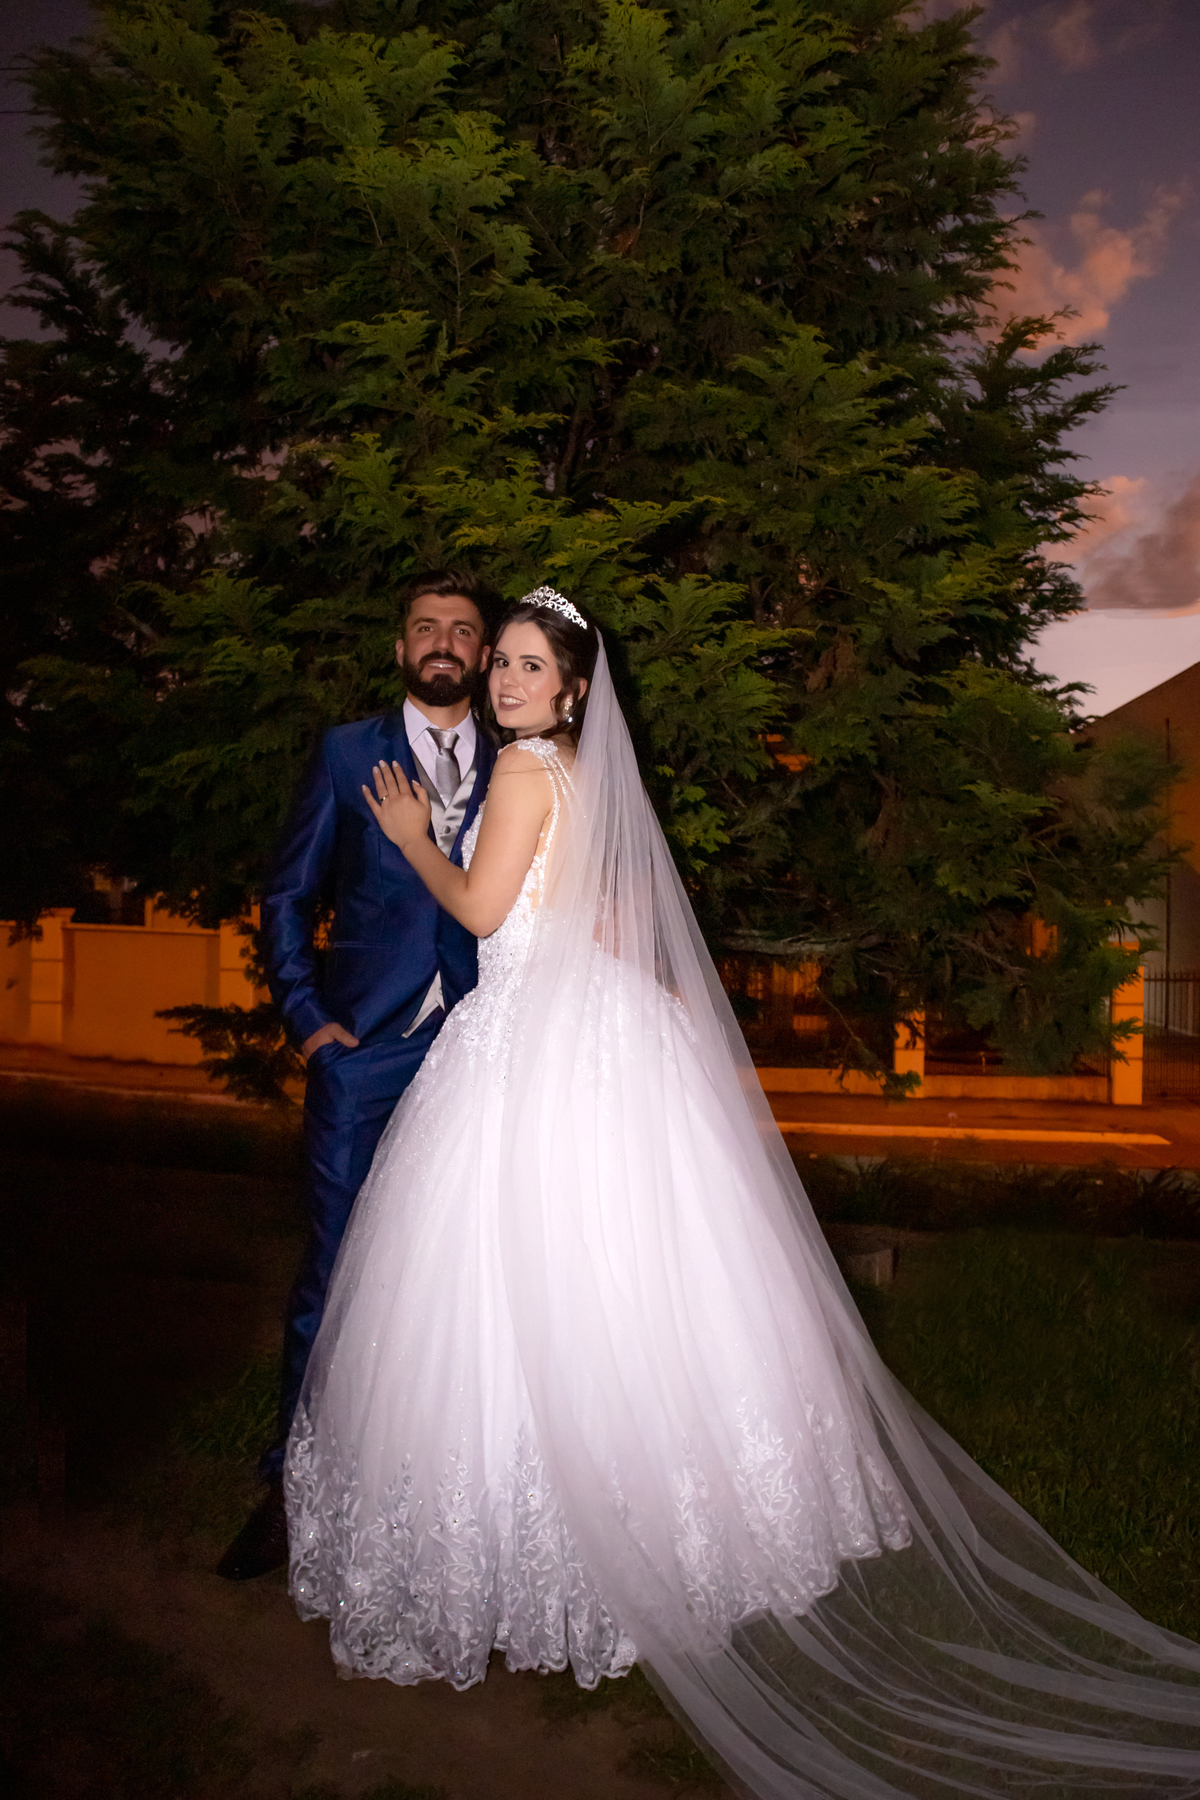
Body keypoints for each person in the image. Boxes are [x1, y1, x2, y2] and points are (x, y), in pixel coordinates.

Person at [286, 589, 1200, 1795]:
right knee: (632, 1283)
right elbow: (594, 915)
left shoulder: (520, 772)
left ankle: (540, 1545)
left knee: (517, 1287)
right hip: (596, 1027)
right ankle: (668, 1532)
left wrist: (412, 837)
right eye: (500, 660)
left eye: (528, 666)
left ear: (572, 687)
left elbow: (483, 910)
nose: (504, 679)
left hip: (522, 1045)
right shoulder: (583, 774)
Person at [216, 570, 498, 1581]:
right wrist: (310, 1027)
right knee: (335, 1272)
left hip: (480, 1053)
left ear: (483, 653)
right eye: (425, 628)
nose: (443, 642)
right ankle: (290, 1492)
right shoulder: (347, 752)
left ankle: (429, 1493)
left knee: (459, 1279)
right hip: (365, 1052)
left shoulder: (517, 759)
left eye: (461, 630)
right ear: (400, 647)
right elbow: (288, 895)